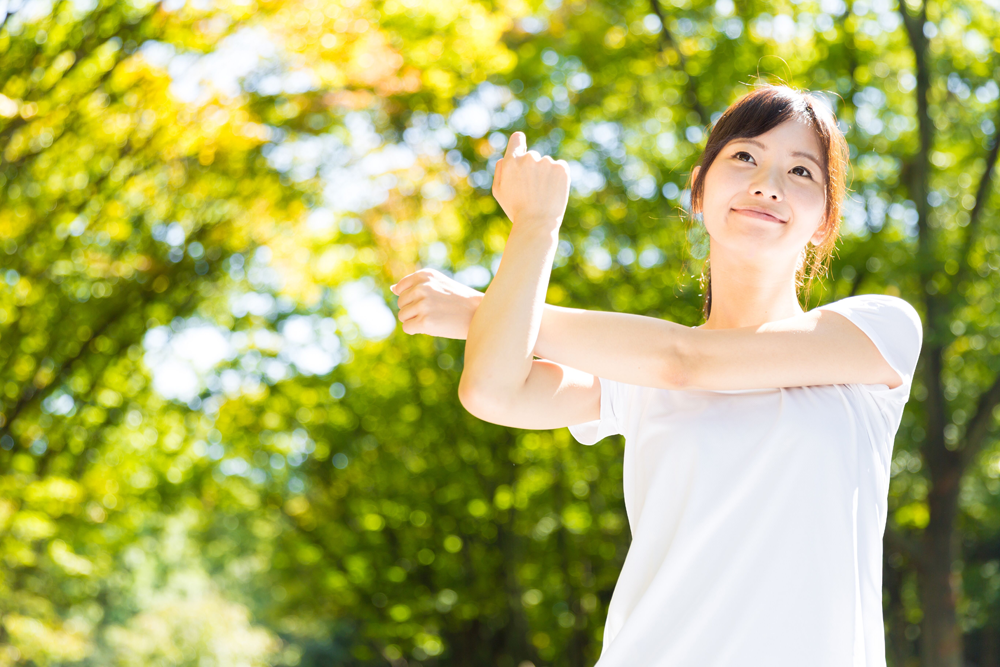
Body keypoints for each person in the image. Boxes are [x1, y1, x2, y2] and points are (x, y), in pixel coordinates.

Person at [389, 84, 922, 666]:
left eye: (801, 171)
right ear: (699, 187)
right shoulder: (633, 372)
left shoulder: (876, 335)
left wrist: (479, 312)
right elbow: (492, 390)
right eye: (745, 156)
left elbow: (685, 361)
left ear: (825, 220)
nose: (768, 183)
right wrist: (536, 225)